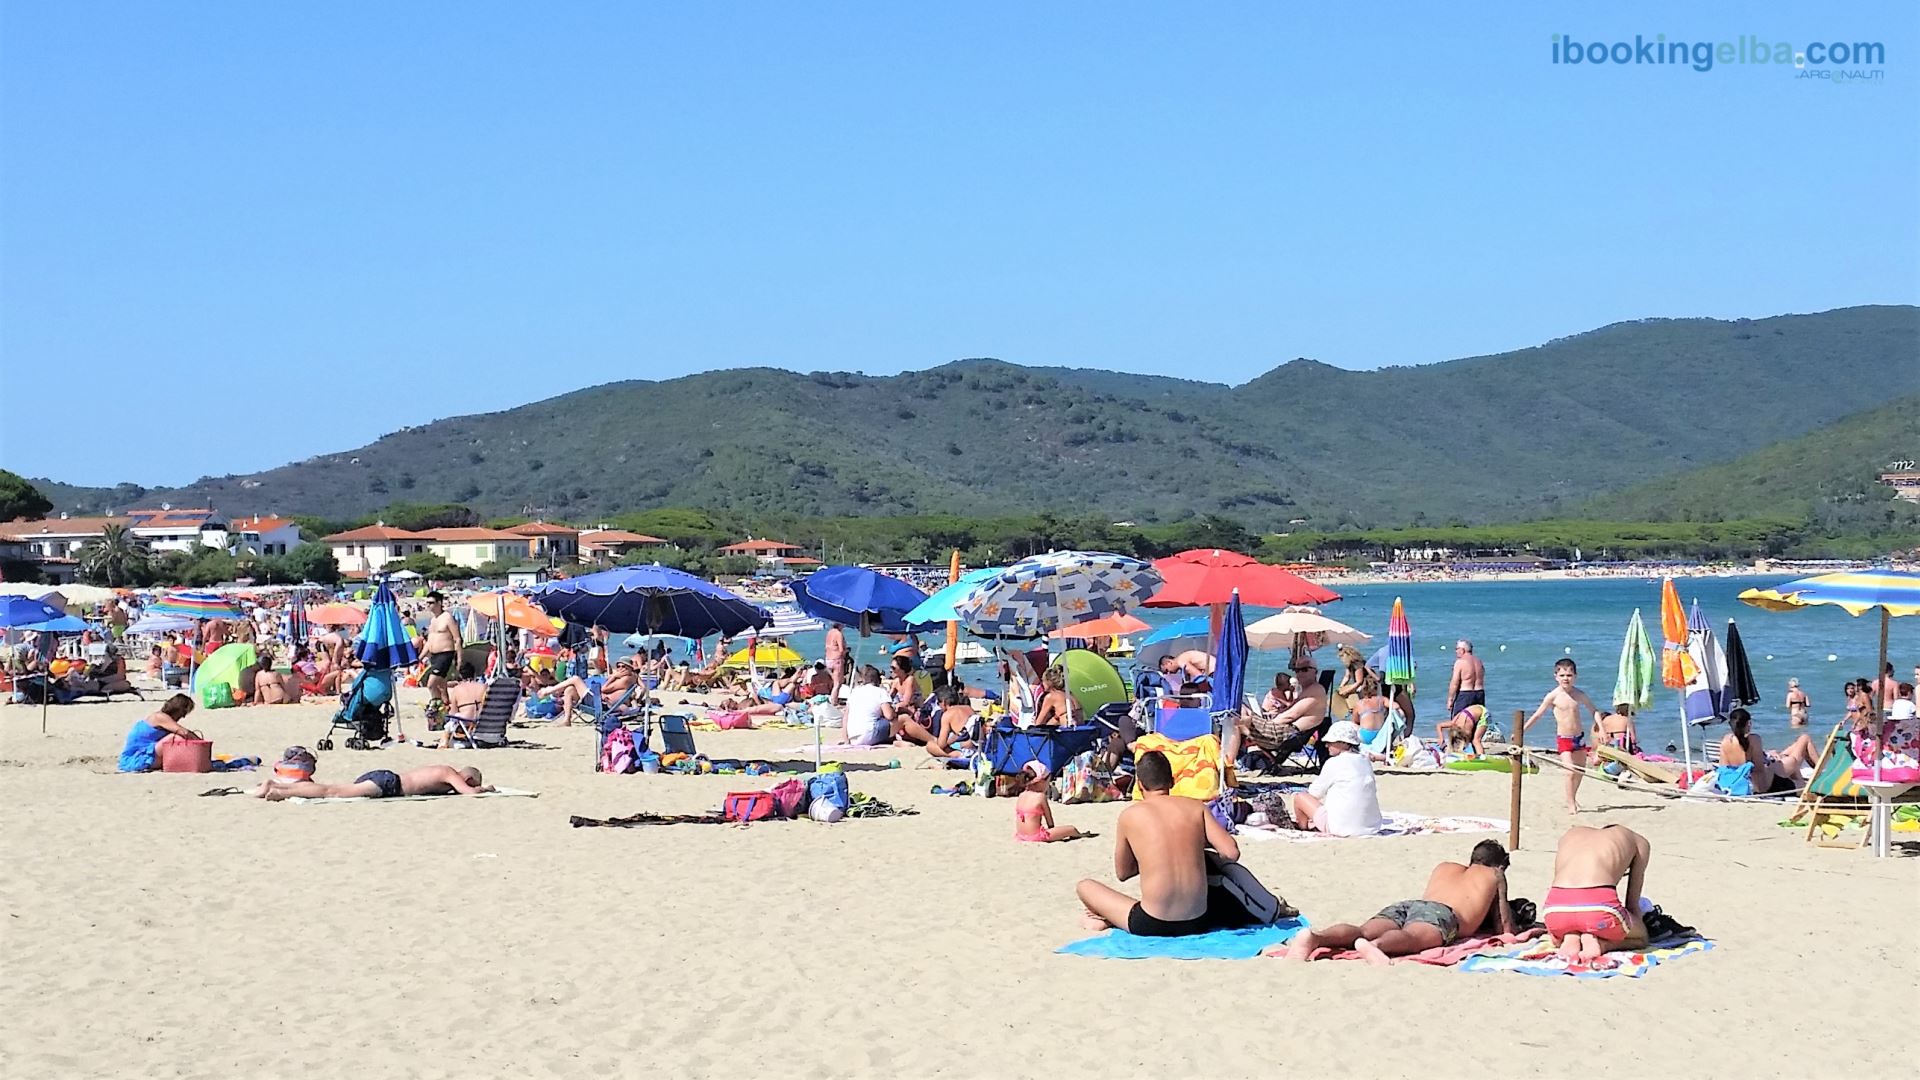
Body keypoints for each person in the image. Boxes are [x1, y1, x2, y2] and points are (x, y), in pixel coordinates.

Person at [1075, 750, 1239, 935]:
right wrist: (1192, 847)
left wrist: (1152, 856)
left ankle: (1104, 919)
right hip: (1199, 921)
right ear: (1172, 781)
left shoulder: (1130, 815)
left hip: (1152, 923)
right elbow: (1231, 852)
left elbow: (1123, 873)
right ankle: (1106, 918)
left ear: (1139, 784)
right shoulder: (1196, 807)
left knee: (1085, 886)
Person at [1283, 840, 1514, 964]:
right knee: (1413, 937)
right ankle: (1375, 947)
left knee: (1363, 930)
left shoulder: (1445, 866)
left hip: (1411, 905)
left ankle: (1315, 937)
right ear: (1499, 865)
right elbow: (1504, 926)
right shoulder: (1494, 875)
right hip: (1442, 914)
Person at [1543, 824, 1652, 963]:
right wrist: (1636, 925)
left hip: (1555, 908)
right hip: (1598, 908)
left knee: (1567, 925)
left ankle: (1572, 936)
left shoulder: (1571, 834)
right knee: (1642, 938)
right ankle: (1602, 943)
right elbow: (1632, 904)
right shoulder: (1639, 841)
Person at [1520, 658, 1606, 814]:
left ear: (1575, 676)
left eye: (1569, 675)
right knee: (1569, 771)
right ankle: (1570, 803)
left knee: (1580, 770)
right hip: (1564, 739)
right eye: (1562, 675)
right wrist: (1522, 729)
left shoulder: (1579, 694)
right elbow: (1538, 715)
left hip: (1578, 737)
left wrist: (1602, 729)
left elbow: (1594, 711)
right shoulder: (1553, 696)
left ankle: (1573, 796)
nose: (1566, 678)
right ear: (1556, 677)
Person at [1224, 654, 1327, 765]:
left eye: (1304, 669)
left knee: (1236, 708)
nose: (1300, 673)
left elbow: (1291, 714)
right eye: (1297, 670)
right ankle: (1244, 727)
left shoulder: (1315, 690)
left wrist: (1269, 723)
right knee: (1238, 710)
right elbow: (1290, 711)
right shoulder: (1308, 690)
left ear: (1315, 671)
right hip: (1283, 732)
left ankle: (1229, 761)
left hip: (1282, 735)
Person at [1289, 721, 1383, 835]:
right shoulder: (1364, 760)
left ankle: (1303, 828)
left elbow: (1315, 793)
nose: (1326, 745)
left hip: (1340, 827)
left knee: (1300, 797)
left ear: (1344, 743)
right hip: (1371, 825)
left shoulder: (1334, 762)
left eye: (1330, 742)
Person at [254, 764, 494, 801]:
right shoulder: (450, 773)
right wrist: (485, 789)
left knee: (334, 788)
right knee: (332, 791)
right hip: (389, 784)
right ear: (469, 778)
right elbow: (469, 794)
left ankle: (278, 787)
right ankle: (279, 790)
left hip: (386, 778)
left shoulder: (442, 770)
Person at [1720, 708, 1818, 794]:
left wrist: (1767, 755)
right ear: (1748, 724)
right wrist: (1769, 762)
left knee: (1797, 749)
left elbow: (1723, 768)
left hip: (1744, 783)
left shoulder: (1726, 741)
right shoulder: (1754, 739)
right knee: (1807, 785)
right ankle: (1824, 775)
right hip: (1767, 786)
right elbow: (1759, 769)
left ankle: (1803, 776)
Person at [118, 694, 202, 772]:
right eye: (184, 713)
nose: (183, 716)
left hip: (147, 752)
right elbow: (184, 732)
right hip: (137, 758)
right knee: (175, 737)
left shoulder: (164, 719)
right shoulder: (159, 717)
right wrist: (201, 744)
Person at [1013, 760, 1088, 843]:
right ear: (1041, 782)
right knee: (1071, 829)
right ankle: (1080, 835)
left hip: (1021, 835)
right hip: (1035, 836)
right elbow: (1050, 822)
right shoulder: (1040, 797)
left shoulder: (1021, 795)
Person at [420, 592, 460, 711]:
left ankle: (437, 706)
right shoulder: (433, 621)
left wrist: (459, 658)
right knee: (442, 687)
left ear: (439, 603)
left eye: (431, 603)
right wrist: (420, 657)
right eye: (427, 603)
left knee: (431, 684)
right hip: (434, 656)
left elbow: (457, 638)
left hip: (445, 654)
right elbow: (429, 641)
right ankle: (448, 707)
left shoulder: (447, 617)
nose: (429, 605)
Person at [842, 664, 893, 747]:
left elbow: (845, 717)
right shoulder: (880, 691)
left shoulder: (855, 692)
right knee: (901, 719)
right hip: (869, 735)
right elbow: (889, 715)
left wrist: (846, 740)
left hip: (853, 738)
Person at [1446, 639, 1486, 720]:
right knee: (1477, 721)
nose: (1456, 651)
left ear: (1462, 650)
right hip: (1479, 694)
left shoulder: (1460, 662)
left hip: (1466, 694)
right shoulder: (1479, 662)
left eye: (1457, 649)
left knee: (1458, 722)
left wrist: (1450, 699)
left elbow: (1454, 683)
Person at [824, 623, 848, 701]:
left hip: (828, 659)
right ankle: (833, 701)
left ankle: (833, 698)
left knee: (834, 682)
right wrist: (846, 651)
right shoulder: (838, 634)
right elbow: (841, 649)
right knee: (838, 683)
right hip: (836, 659)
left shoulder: (829, 632)